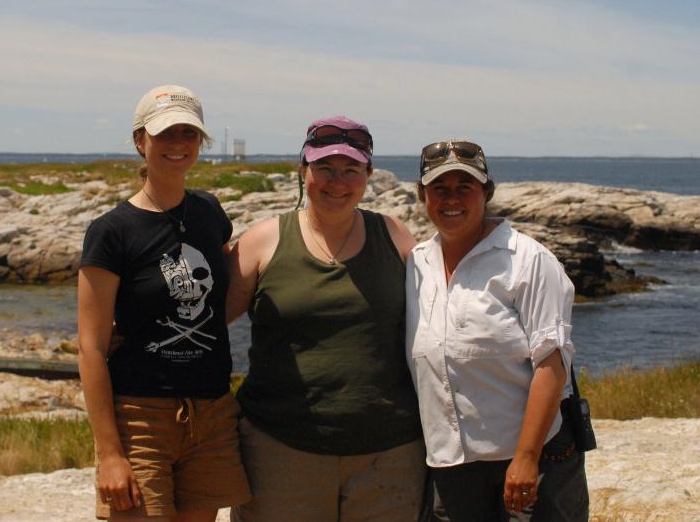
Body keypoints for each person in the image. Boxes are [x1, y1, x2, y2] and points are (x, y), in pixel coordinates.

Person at [226, 116, 426, 522]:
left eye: (351, 170)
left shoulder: (395, 236)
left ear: (368, 175)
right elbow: (205, 326)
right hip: (279, 453)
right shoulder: (263, 241)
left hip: (389, 456)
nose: (338, 182)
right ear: (304, 169)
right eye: (325, 169)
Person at [77, 85, 250, 521]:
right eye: (165, 134)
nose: (178, 144)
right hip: (142, 418)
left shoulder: (210, 211)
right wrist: (110, 454)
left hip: (211, 411)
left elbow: (227, 281)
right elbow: (91, 349)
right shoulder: (112, 231)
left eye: (188, 134)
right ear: (141, 141)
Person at [406, 139, 589, 521]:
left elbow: (551, 365)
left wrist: (526, 459)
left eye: (464, 188)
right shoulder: (417, 264)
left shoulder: (528, 260)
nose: (451, 199)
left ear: (486, 192)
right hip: (450, 463)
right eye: (440, 189)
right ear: (422, 195)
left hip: (530, 458)